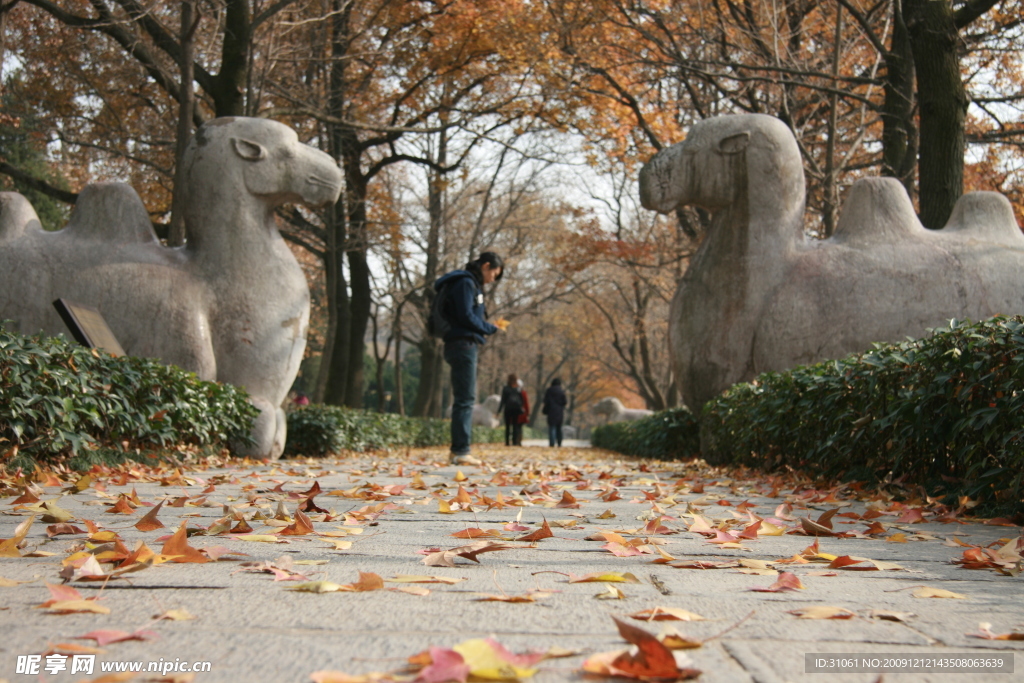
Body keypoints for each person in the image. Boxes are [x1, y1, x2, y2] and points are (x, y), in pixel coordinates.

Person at [435, 252, 508, 465]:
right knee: (465, 399)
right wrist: (488, 328)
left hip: (461, 343)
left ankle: (458, 450)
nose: (494, 278)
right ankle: (460, 450)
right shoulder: (466, 283)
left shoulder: (468, 283)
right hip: (462, 344)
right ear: (486, 266)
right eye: (495, 273)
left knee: (464, 398)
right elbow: (465, 315)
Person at [497, 373, 526, 446]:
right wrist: (521, 407)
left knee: (507, 426)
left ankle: (507, 442)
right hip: (516, 409)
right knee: (515, 425)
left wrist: (499, 411)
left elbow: (503, 400)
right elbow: (521, 399)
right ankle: (514, 441)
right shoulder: (518, 389)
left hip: (508, 409)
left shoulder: (506, 388)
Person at [541, 378, 568, 447]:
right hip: (559, 412)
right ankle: (559, 442)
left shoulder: (549, 391)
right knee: (559, 427)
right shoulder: (561, 391)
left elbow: (545, 401)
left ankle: (552, 443)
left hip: (551, 411)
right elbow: (565, 402)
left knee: (552, 427)